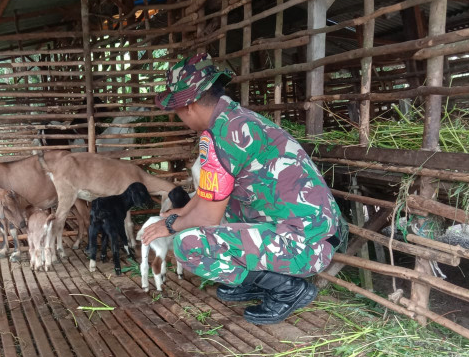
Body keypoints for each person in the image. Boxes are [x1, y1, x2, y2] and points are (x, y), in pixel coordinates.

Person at [140, 52, 347, 325]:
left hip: (309, 246)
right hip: (317, 231)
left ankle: (288, 289)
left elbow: (207, 217)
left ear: (188, 106)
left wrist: (170, 225)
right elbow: (208, 194)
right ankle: (259, 280)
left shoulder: (223, 138)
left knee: (188, 245)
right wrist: (177, 215)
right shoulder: (234, 121)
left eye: (176, 110)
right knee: (231, 206)